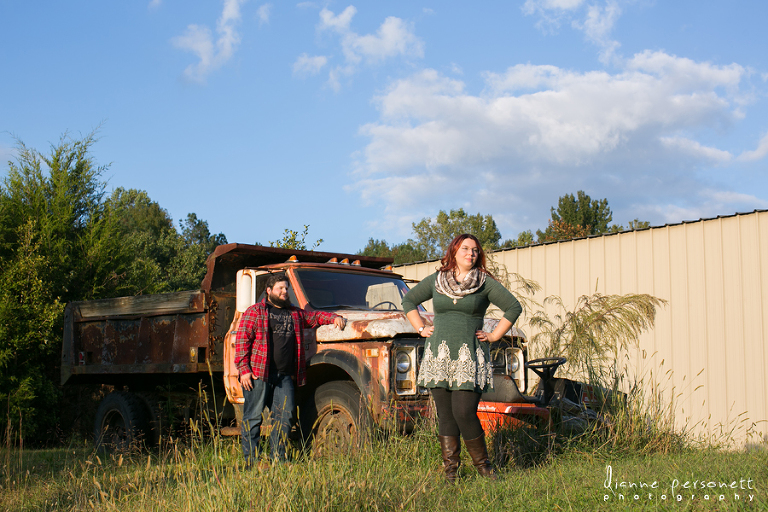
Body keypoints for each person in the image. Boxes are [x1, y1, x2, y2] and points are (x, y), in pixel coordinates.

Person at [402, 234, 521, 482]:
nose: (471, 253)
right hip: (440, 356)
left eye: (475, 250)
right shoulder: (437, 281)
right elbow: (409, 300)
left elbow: (513, 307)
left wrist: (495, 335)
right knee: (446, 416)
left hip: (470, 357)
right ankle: (451, 474)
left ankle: (485, 469)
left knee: (464, 412)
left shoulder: (485, 283)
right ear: (454, 251)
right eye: (465, 248)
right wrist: (421, 327)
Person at [234, 272, 346, 466]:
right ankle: (252, 462)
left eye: (287, 288)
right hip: (259, 374)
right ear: (269, 291)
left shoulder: (294, 313)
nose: (285, 292)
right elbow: (243, 340)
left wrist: (334, 317)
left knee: (284, 417)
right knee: (252, 418)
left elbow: (314, 317)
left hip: (284, 376)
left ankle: (279, 459)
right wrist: (244, 369)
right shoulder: (256, 312)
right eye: (281, 288)